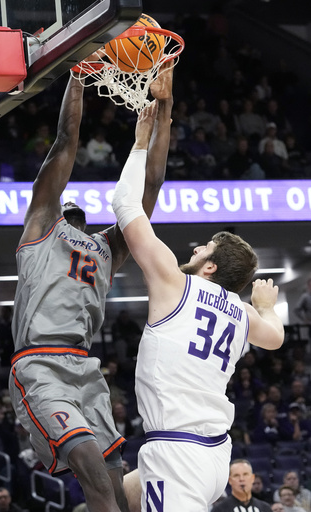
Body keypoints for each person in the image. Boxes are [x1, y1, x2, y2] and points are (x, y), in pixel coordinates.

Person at [8, 57, 174, 512]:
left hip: (84, 367)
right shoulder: (42, 224)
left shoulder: (107, 248)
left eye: (82, 216)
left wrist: (165, 109)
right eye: (71, 212)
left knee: (117, 487)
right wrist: (79, 79)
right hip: (39, 364)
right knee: (92, 473)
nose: (77, 219)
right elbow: (64, 142)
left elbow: (152, 185)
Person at [112, 101, 284, 510]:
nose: (195, 246)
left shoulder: (175, 283)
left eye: (204, 246)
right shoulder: (242, 313)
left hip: (178, 452)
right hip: (211, 452)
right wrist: (265, 304)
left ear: (210, 267)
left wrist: (139, 143)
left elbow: (124, 204)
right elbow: (275, 338)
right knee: (119, 496)